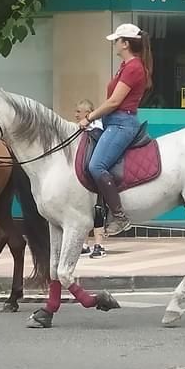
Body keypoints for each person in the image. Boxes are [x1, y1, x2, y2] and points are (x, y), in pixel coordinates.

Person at [78, 23, 153, 234]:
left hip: (121, 123)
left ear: (126, 43)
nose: (115, 44)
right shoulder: (125, 66)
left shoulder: (133, 68)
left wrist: (89, 118)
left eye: (117, 41)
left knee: (96, 166)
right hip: (112, 122)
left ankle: (120, 217)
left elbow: (113, 102)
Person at [74, 99, 107, 258]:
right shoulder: (83, 130)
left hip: (97, 179)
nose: (75, 115)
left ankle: (99, 245)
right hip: (84, 180)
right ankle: (84, 244)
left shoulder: (97, 131)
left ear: (88, 113)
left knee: (98, 208)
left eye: (78, 112)